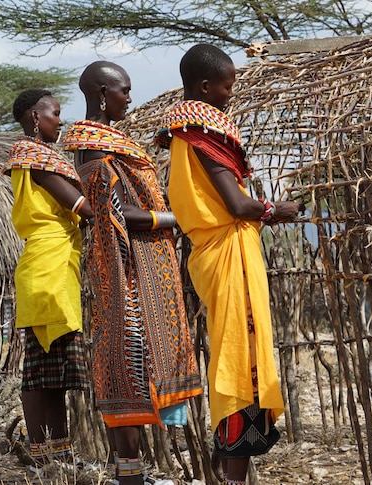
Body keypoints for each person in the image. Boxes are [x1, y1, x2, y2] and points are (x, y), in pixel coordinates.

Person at [155, 44, 300, 485]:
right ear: (204, 86)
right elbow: (237, 204)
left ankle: (235, 468)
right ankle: (235, 474)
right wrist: (277, 210)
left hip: (214, 253)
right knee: (241, 362)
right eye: (226, 85)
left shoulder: (183, 134)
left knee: (238, 355)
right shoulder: (200, 131)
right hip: (227, 251)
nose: (230, 93)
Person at [63, 61, 203, 485]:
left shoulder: (105, 143)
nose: (130, 98)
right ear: (103, 92)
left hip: (138, 269)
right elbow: (118, 214)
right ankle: (131, 477)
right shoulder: (96, 146)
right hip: (130, 276)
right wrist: (177, 218)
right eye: (124, 90)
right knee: (131, 366)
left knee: (132, 370)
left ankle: (132, 475)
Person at [2, 89, 92, 475]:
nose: (61, 120)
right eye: (56, 113)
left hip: (53, 264)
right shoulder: (34, 157)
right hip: (47, 267)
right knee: (41, 372)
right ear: (36, 116)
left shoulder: (38, 156)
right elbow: (83, 208)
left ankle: (57, 455)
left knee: (54, 371)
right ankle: (44, 458)